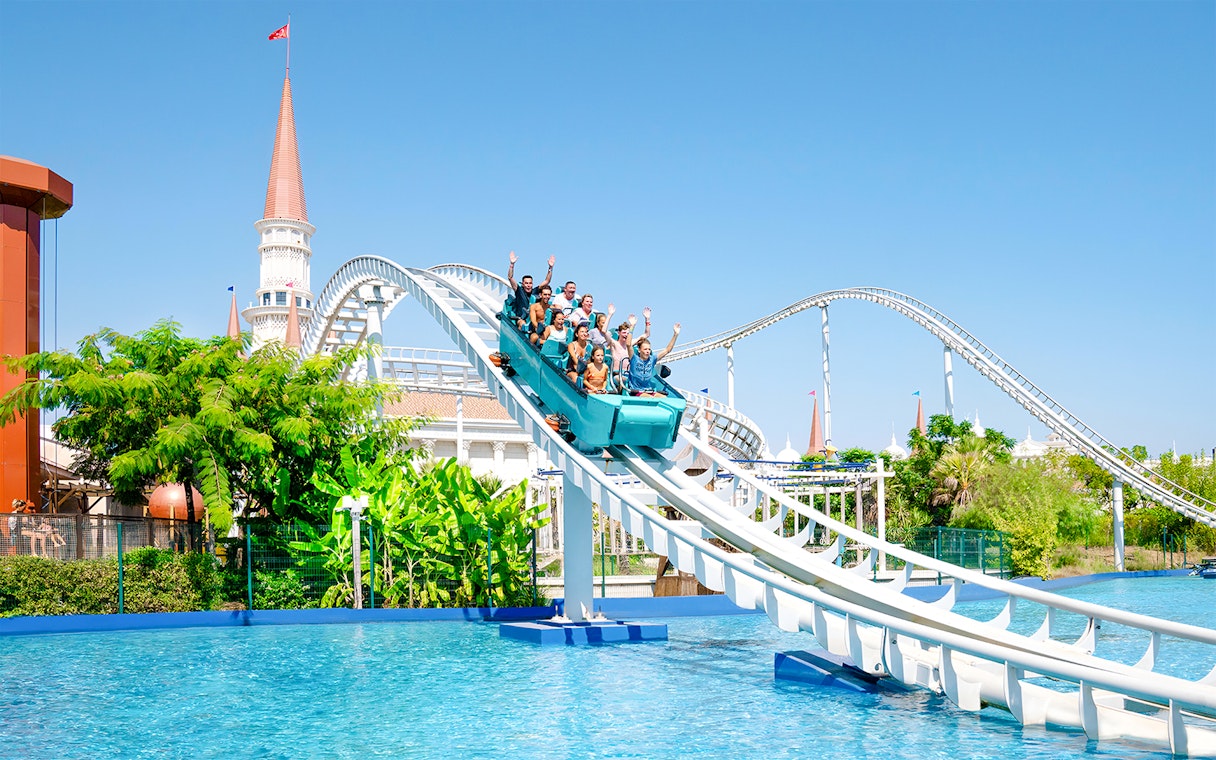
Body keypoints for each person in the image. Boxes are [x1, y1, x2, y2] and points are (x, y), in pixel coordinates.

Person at [625, 322, 680, 396]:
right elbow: (628, 344)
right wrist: (632, 326)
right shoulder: (634, 359)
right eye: (645, 349)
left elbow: (667, 350)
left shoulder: (652, 359)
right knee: (647, 397)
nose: (647, 351)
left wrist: (675, 335)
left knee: (662, 398)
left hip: (648, 390)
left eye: (649, 349)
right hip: (636, 391)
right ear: (639, 350)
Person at [506, 251, 554, 330]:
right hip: (521, 318)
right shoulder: (519, 291)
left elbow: (547, 281)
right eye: (526, 283)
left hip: (533, 318)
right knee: (522, 324)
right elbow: (510, 277)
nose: (529, 285)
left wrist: (550, 268)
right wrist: (512, 264)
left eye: (530, 283)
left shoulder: (535, 291)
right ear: (523, 284)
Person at [608, 308, 650, 375]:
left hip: (628, 374)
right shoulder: (614, 343)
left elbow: (646, 334)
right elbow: (604, 332)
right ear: (619, 333)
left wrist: (647, 319)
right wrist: (610, 314)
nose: (626, 335)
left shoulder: (630, 343)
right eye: (624, 333)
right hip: (617, 375)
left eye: (628, 333)